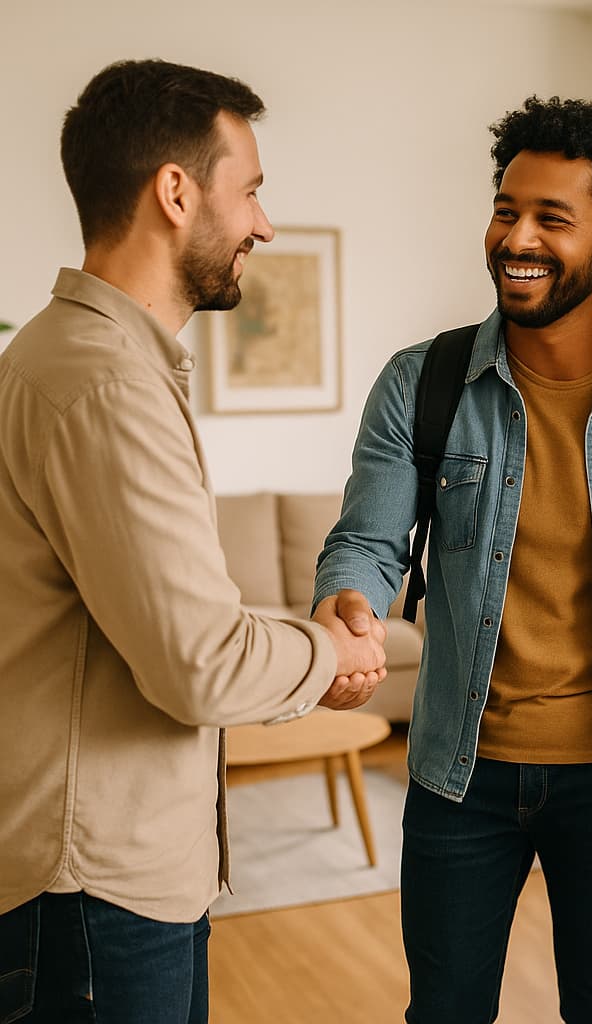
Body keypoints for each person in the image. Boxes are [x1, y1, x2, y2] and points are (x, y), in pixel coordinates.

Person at [313, 95, 592, 1023]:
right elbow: (368, 541)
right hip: (459, 776)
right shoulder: (422, 380)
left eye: (552, 217)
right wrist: (349, 604)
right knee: (446, 1011)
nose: (517, 237)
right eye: (508, 209)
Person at [0, 59, 387, 1024]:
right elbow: (201, 664)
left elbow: (169, 624)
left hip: (91, 882)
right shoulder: (103, 384)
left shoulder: (77, 359)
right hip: (94, 892)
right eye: (249, 188)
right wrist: (330, 650)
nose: (264, 221)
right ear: (175, 192)